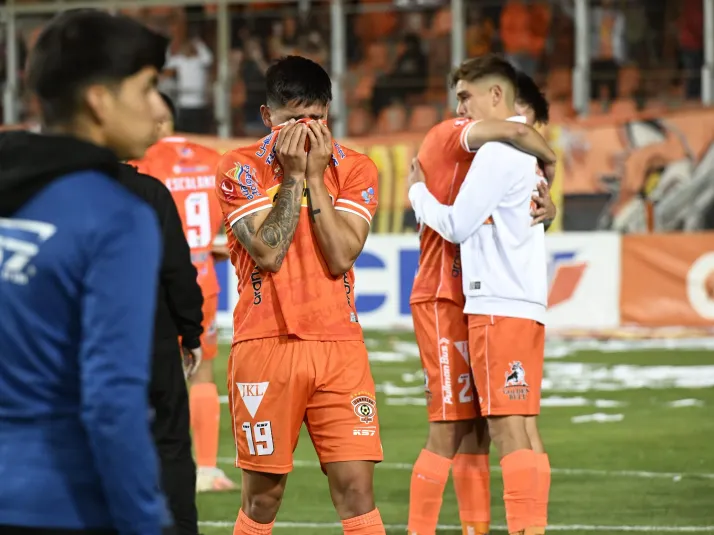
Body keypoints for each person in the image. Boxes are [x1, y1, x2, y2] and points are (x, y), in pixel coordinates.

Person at [0, 9, 172, 535]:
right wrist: (146, 522)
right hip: (61, 503)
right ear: (100, 100)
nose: (159, 110)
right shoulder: (116, 216)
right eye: (145, 89)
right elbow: (112, 403)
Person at [215, 55, 385, 535]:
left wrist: (313, 178)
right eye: (293, 120)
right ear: (268, 117)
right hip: (266, 345)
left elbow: (341, 255)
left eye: (316, 119)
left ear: (330, 112)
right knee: (263, 499)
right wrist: (292, 176)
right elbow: (267, 252)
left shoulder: (356, 168)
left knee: (357, 490)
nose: (306, 132)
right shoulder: (239, 167)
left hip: (339, 348)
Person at [407, 69, 556, 535]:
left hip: (486, 300)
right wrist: (548, 162)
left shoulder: (499, 153)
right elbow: (512, 132)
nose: (460, 108)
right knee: (465, 429)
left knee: (488, 429)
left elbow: (471, 220)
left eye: (465, 98)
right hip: (449, 296)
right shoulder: (458, 136)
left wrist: (416, 193)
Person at [133, 92, 237, 493]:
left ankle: (149, 464)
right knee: (203, 369)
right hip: (201, 280)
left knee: (149, 373)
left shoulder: (143, 160)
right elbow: (226, 226)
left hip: (153, 280)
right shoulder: (213, 159)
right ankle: (207, 469)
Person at [120, 93, 208, 535]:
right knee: (170, 446)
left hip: (74, 349)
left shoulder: (53, 191)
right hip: (149, 343)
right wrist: (191, 333)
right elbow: (177, 269)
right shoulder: (149, 192)